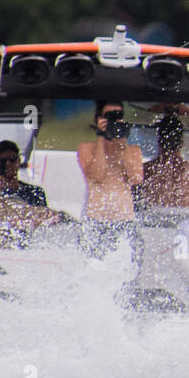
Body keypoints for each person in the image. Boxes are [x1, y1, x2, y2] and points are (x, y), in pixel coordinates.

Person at [77, 100, 144, 259]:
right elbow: (98, 175)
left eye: (118, 115)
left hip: (124, 220)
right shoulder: (87, 148)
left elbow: (135, 178)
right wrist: (101, 137)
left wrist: (121, 142)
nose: (114, 120)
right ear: (98, 119)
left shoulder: (132, 150)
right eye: (109, 116)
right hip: (96, 221)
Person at [138, 113, 189, 208]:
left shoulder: (145, 170)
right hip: (186, 218)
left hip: (153, 217)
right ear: (181, 144)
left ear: (159, 143)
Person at [0, 140, 47, 206]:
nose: (8, 164)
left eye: (12, 159)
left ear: (19, 161)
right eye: (3, 161)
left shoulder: (35, 192)